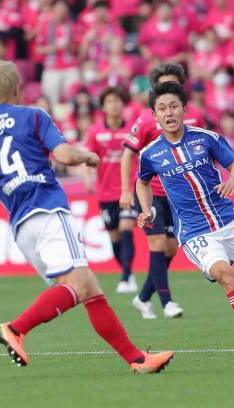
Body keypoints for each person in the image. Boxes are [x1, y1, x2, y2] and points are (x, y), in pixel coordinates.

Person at [0, 60, 173, 373]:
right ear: (17, 90)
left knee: (89, 288)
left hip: (22, 227)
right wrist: (90, 157)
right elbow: (63, 154)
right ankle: (16, 328)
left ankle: (137, 360)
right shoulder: (33, 115)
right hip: (48, 210)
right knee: (77, 285)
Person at [136, 81, 234, 350]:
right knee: (225, 276)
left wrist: (232, 181)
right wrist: (146, 210)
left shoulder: (206, 138)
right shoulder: (150, 154)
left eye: (173, 106)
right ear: (155, 115)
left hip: (229, 222)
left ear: (184, 109)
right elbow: (142, 182)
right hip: (195, 232)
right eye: (162, 109)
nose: (168, 113)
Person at [121, 63, 204, 319]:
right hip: (151, 192)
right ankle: (168, 303)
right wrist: (126, 190)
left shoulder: (194, 117)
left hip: (177, 195)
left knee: (169, 248)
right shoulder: (147, 118)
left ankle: (143, 297)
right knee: (157, 243)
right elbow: (128, 155)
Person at [84, 86, 138, 293]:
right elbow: (87, 157)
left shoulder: (133, 130)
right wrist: (87, 178)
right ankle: (128, 272)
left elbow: (142, 155)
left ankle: (125, 278)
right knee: (114, 237)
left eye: (117, 101)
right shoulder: (95, 131)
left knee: (126, 229)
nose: (114, 105)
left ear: (123, 105)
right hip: (105, 192)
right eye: (109, 101)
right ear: (103, 107)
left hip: (127, 190)